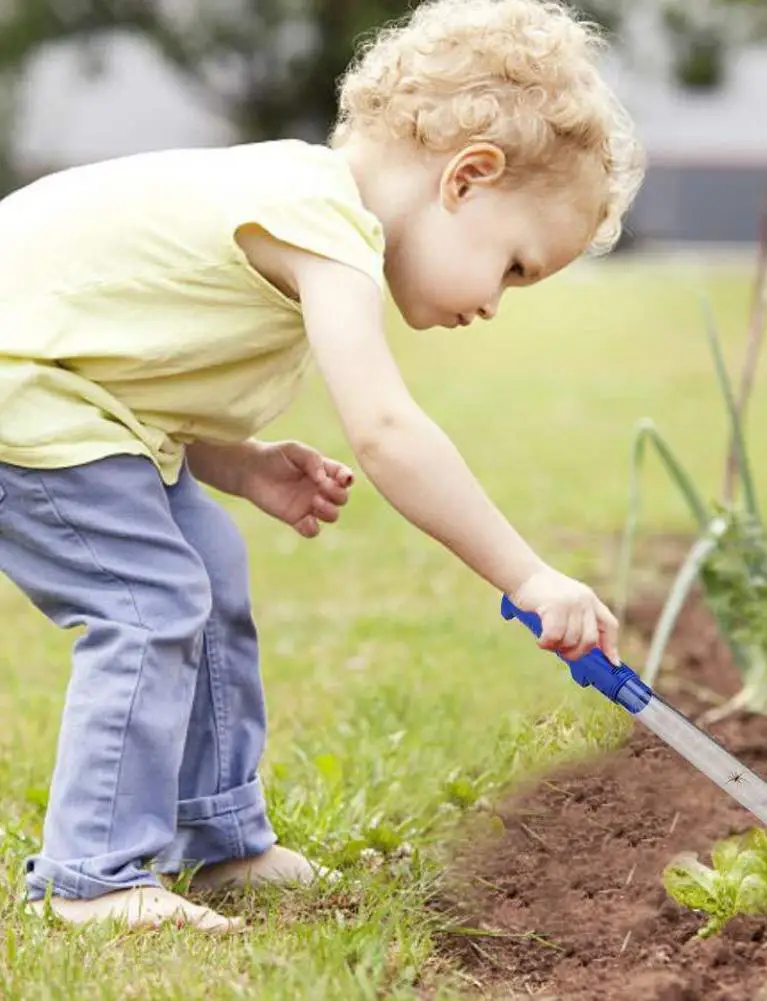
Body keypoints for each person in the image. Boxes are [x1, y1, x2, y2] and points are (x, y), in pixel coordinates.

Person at [0, 0, 645, 931]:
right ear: (467, 178)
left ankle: (212, 833)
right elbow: (385, 429)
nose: (498, 303)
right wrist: (529, 574)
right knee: (147, 602)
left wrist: (245, 463)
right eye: (513, 266)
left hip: (66, 389)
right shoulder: (326, 223)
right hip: (23, 391)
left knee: (208, 572)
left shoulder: (301, 209)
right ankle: (90, 877)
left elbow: (125, 349)